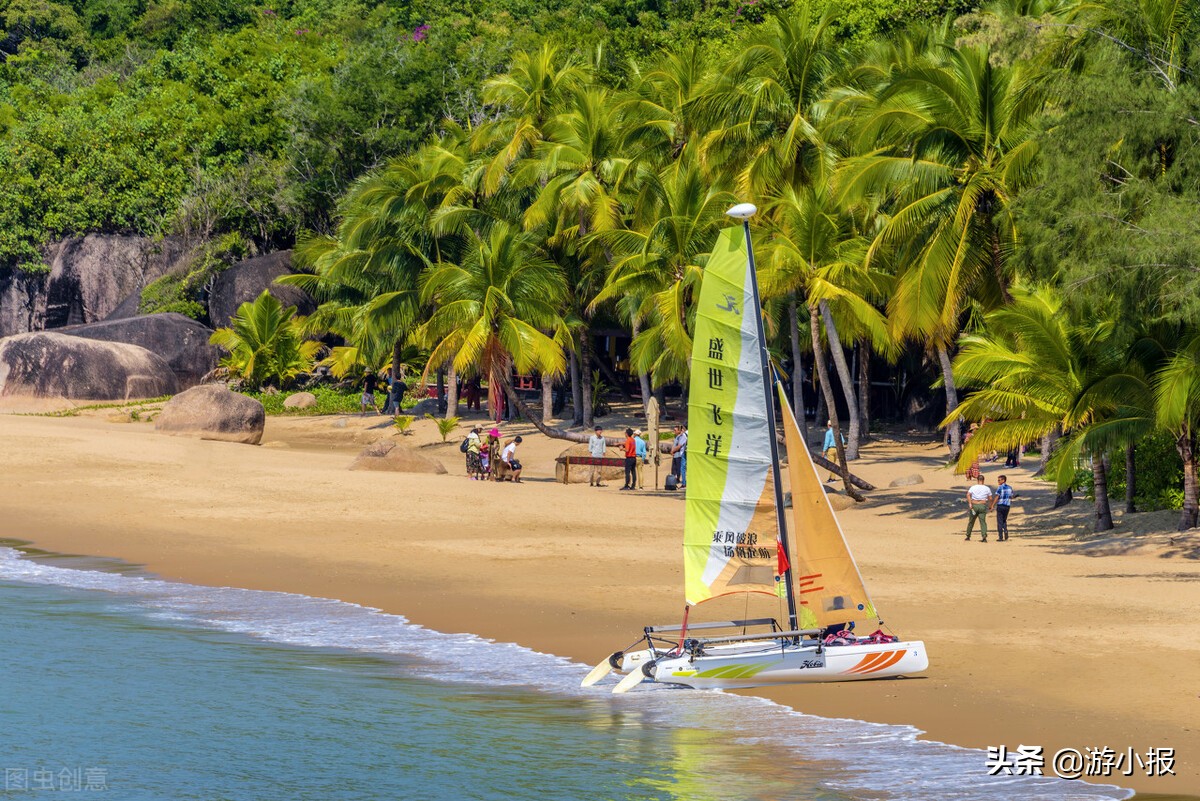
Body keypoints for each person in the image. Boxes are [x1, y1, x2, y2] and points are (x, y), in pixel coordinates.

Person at [965, 473, 992, 542]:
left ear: (977, 480)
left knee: (971, 521)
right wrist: (990, 505)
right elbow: (990, 498)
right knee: (982, 521)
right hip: (982, 506)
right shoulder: (987, 488)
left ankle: (968, 536)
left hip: (974, 506)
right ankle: (984, 536)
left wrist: (970, 503)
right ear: (983, 480)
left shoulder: (973, 487)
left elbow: (968, 494)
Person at [994, 474, 1015, 541]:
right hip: (1007, 506)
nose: (998, 481)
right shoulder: (1010, 487)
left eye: (999, 480)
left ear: (1003, 480)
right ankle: (1005, 531)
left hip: (1000, 505)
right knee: (1004, 520)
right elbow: (1011, 497)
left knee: (999, 521)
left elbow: (997, 496)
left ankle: (1000, 537)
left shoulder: (1000, 487)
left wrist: (992, 505)